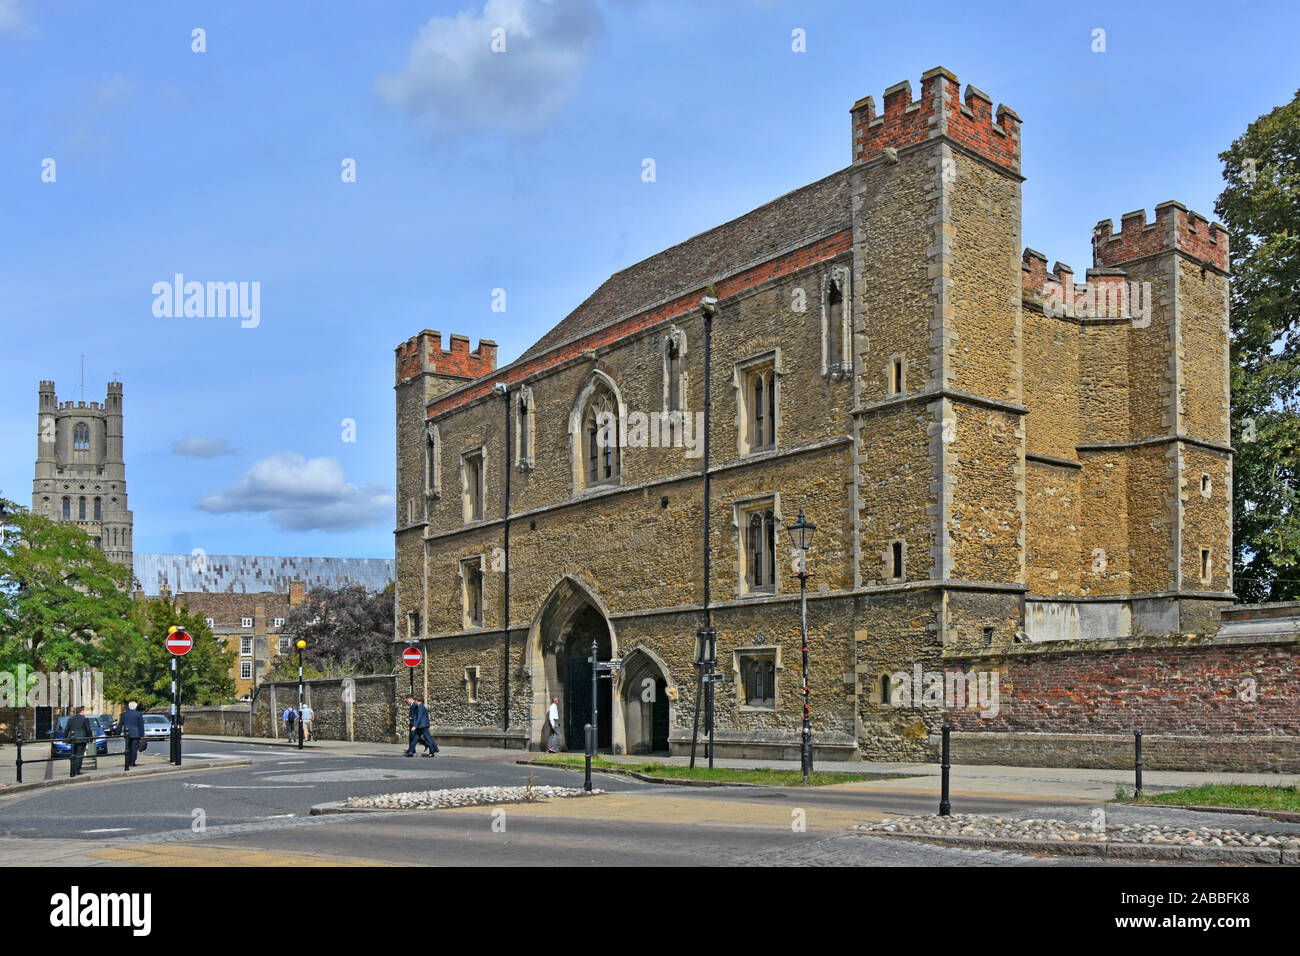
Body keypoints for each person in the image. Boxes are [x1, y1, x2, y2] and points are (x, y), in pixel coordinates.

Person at [65, 706, 94, 777]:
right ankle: (77, 770)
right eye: (85, 711)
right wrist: (91, 738)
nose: (85, 712)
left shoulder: (71, 719)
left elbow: (66, 729)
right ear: (82, 711)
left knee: (73, 754)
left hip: (73, 739)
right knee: (80, 754)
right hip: (82, 739)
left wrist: (64, 739)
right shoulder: (85, 719)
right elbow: (88, 730)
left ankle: (73, 769)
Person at [119, 701, 145, 769]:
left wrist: (117, 733)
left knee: (128, 748)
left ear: (129, 706)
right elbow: (141, 725)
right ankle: (132, 762)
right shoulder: (138, 714)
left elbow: (120, 725)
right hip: (136, 734)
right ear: (135, 707)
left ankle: (127, 762)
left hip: (127, 734)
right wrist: (142, 735)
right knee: (134, 748)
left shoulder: (123, 714)